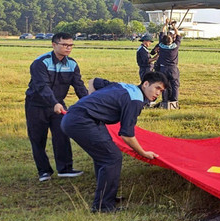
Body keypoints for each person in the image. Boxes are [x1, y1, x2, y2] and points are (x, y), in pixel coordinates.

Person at [60, 72, 168, 213]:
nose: (158, 93)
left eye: (161, 91)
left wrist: (92, 102)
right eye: (157, 88)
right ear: (145, 84)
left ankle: (106, 197)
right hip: (82, 121)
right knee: (112, 157)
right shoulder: (135, 101)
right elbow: (127, 135)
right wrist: (144, 153)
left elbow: (93, 81)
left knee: (103, 157)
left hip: (78, 118)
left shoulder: (125, 86)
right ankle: (103, 207)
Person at [25, 32, 88, 182]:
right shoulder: (40, 63)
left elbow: (79, 87)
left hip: (58, 103)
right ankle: (44, 171)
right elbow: (42, 87)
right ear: (54, 45)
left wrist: (89, 105)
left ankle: (65, 169)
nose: (68, 48)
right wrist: (54, 103)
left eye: (71, 45)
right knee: (37, 138)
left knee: (62, 134)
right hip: (36, 104)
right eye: (64, 45)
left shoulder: (72, 64)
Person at [154, 20, 181, 108]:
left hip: (163, 68)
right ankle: (174, 100)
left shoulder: (161, 46)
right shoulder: (175, 46)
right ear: (172, 41)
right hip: (173, 68)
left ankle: (165, 100)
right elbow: (178, 35)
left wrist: (165, 24)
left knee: (164, 84)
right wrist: (173, 26)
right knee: (175, 85)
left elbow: (161, 32)